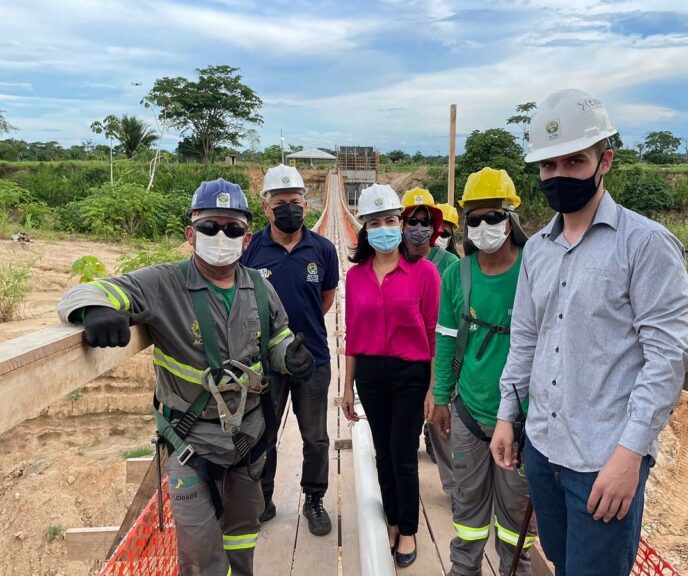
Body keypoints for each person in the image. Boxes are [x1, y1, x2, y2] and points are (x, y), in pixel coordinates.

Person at [57, 179, 316, 576]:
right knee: (199, 552)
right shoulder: (163, 284)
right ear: (190, 234)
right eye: (210, 226)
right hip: (192, 442)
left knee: (242, 535)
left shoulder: (260, 288)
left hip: (249, 438)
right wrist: (95, 310)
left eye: (232, 228)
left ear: (246, 239)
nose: (221, 236)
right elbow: (83, 294)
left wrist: (289, 356)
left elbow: (277, 337)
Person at [490, 89, 688, 576]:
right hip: (543, 450)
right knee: (562, 563)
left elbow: (667, 357)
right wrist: (506, 414)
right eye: (548, 165)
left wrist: (630, 455)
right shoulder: (537, 250)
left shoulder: (645, 245)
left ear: (605, 161)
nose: (559, 175)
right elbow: (526, 338)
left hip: (604, 460)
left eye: (574, 161)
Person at [431, 168, 536, 576]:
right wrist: (441, 397)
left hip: (523, 417)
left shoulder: (534, 269)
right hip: (470, 411)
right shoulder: (457, 275)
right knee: (467, 506)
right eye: (474, 219)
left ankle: (514, 570)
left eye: (493, 217)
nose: (483, 226)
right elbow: (445, 340)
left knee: (516, 516)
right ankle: (464, 569)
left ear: (511, 218)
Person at [341, 183, 440, 568]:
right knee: (383, 452)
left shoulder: (425, 273)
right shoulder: (356, 276)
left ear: (399, 222)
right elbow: (352, 332)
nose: (383, 228)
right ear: (364, 229)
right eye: (374, 222)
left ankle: (409, 528)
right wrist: (347, 387)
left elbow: (432, 333)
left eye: (389, 220)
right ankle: (393, 520)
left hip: (411, 374)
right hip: (370, 375)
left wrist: (433, 388)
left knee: (403, 452)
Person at [240, 164, 339, 536]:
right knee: (263, 434)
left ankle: (314, 499)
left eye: (295, 202)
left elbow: (325, 300)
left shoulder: (323, 250)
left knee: (315, 437)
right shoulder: (251, 250)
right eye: (280, 203)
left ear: (306, 205)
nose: (289, 209)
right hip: (265, 363)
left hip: (313, 359)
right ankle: (263, 500)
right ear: (266, 207)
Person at [399, 187, 458, 494]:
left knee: (440, 423)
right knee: (404, 431)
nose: (419, 228)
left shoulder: (449, 264)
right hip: (405, 358)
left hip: (440, 356)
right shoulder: (393, 261)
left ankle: (456, 491)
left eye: (425, 222)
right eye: (412, 221)